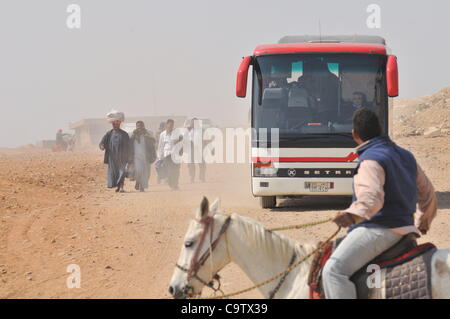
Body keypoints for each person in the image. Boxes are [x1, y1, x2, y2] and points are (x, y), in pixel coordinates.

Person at [321, 108, 438, 299]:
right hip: (406, 229)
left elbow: (372, 199)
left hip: (378, 229)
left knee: (333, 271)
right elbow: (428, 193)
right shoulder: (406, 155)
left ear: (354, 135)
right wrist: (424, 222)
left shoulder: (370, 160)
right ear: (380, 128)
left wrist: (351, 215)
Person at [99, 119, 130, 193]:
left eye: (117, 124)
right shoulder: (109, 133)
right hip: (112, 158)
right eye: (114, 124)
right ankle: (118, 186)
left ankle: (121, 187)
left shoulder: (124, 134)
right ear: (112, 125)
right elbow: (102, 143)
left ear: (119, 125)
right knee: (115, 172)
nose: (115, 125)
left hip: (122, 157)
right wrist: (102, 146)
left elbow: (129, 146)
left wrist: (129, 156)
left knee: (121, 171)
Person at [129, 121, 157, 192]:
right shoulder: (133, 135)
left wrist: (153, 155)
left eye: (141, 126)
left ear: (143, 126)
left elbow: (153, 143)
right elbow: (129, 144)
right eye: (138, 126)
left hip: (146, 157)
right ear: (136, 127)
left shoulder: (148, 134)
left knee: (146, 173)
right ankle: (138, 181)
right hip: (136, 157)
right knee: (138, 171)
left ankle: (142, 186)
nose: (140, 128)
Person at [157, 119, 183, 190]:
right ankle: (172, 185)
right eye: (170, 125)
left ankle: (175, 184)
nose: (171, 126)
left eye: (172, 125)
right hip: (167, 155)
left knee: (176, 170)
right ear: (166, 125)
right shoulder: (162, 134)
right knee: (170, 171)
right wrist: (159, 157)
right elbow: (160, 146)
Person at [185, 118, 207, 183]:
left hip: (199, 149)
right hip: (191, 149)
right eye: (192, 123)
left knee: (202, 164)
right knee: (191, 165)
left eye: (195, 122)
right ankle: (192, 177)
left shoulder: (202, 130)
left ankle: (202, 177)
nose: (193, 124)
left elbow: (205, 140)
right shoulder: (188, 130)